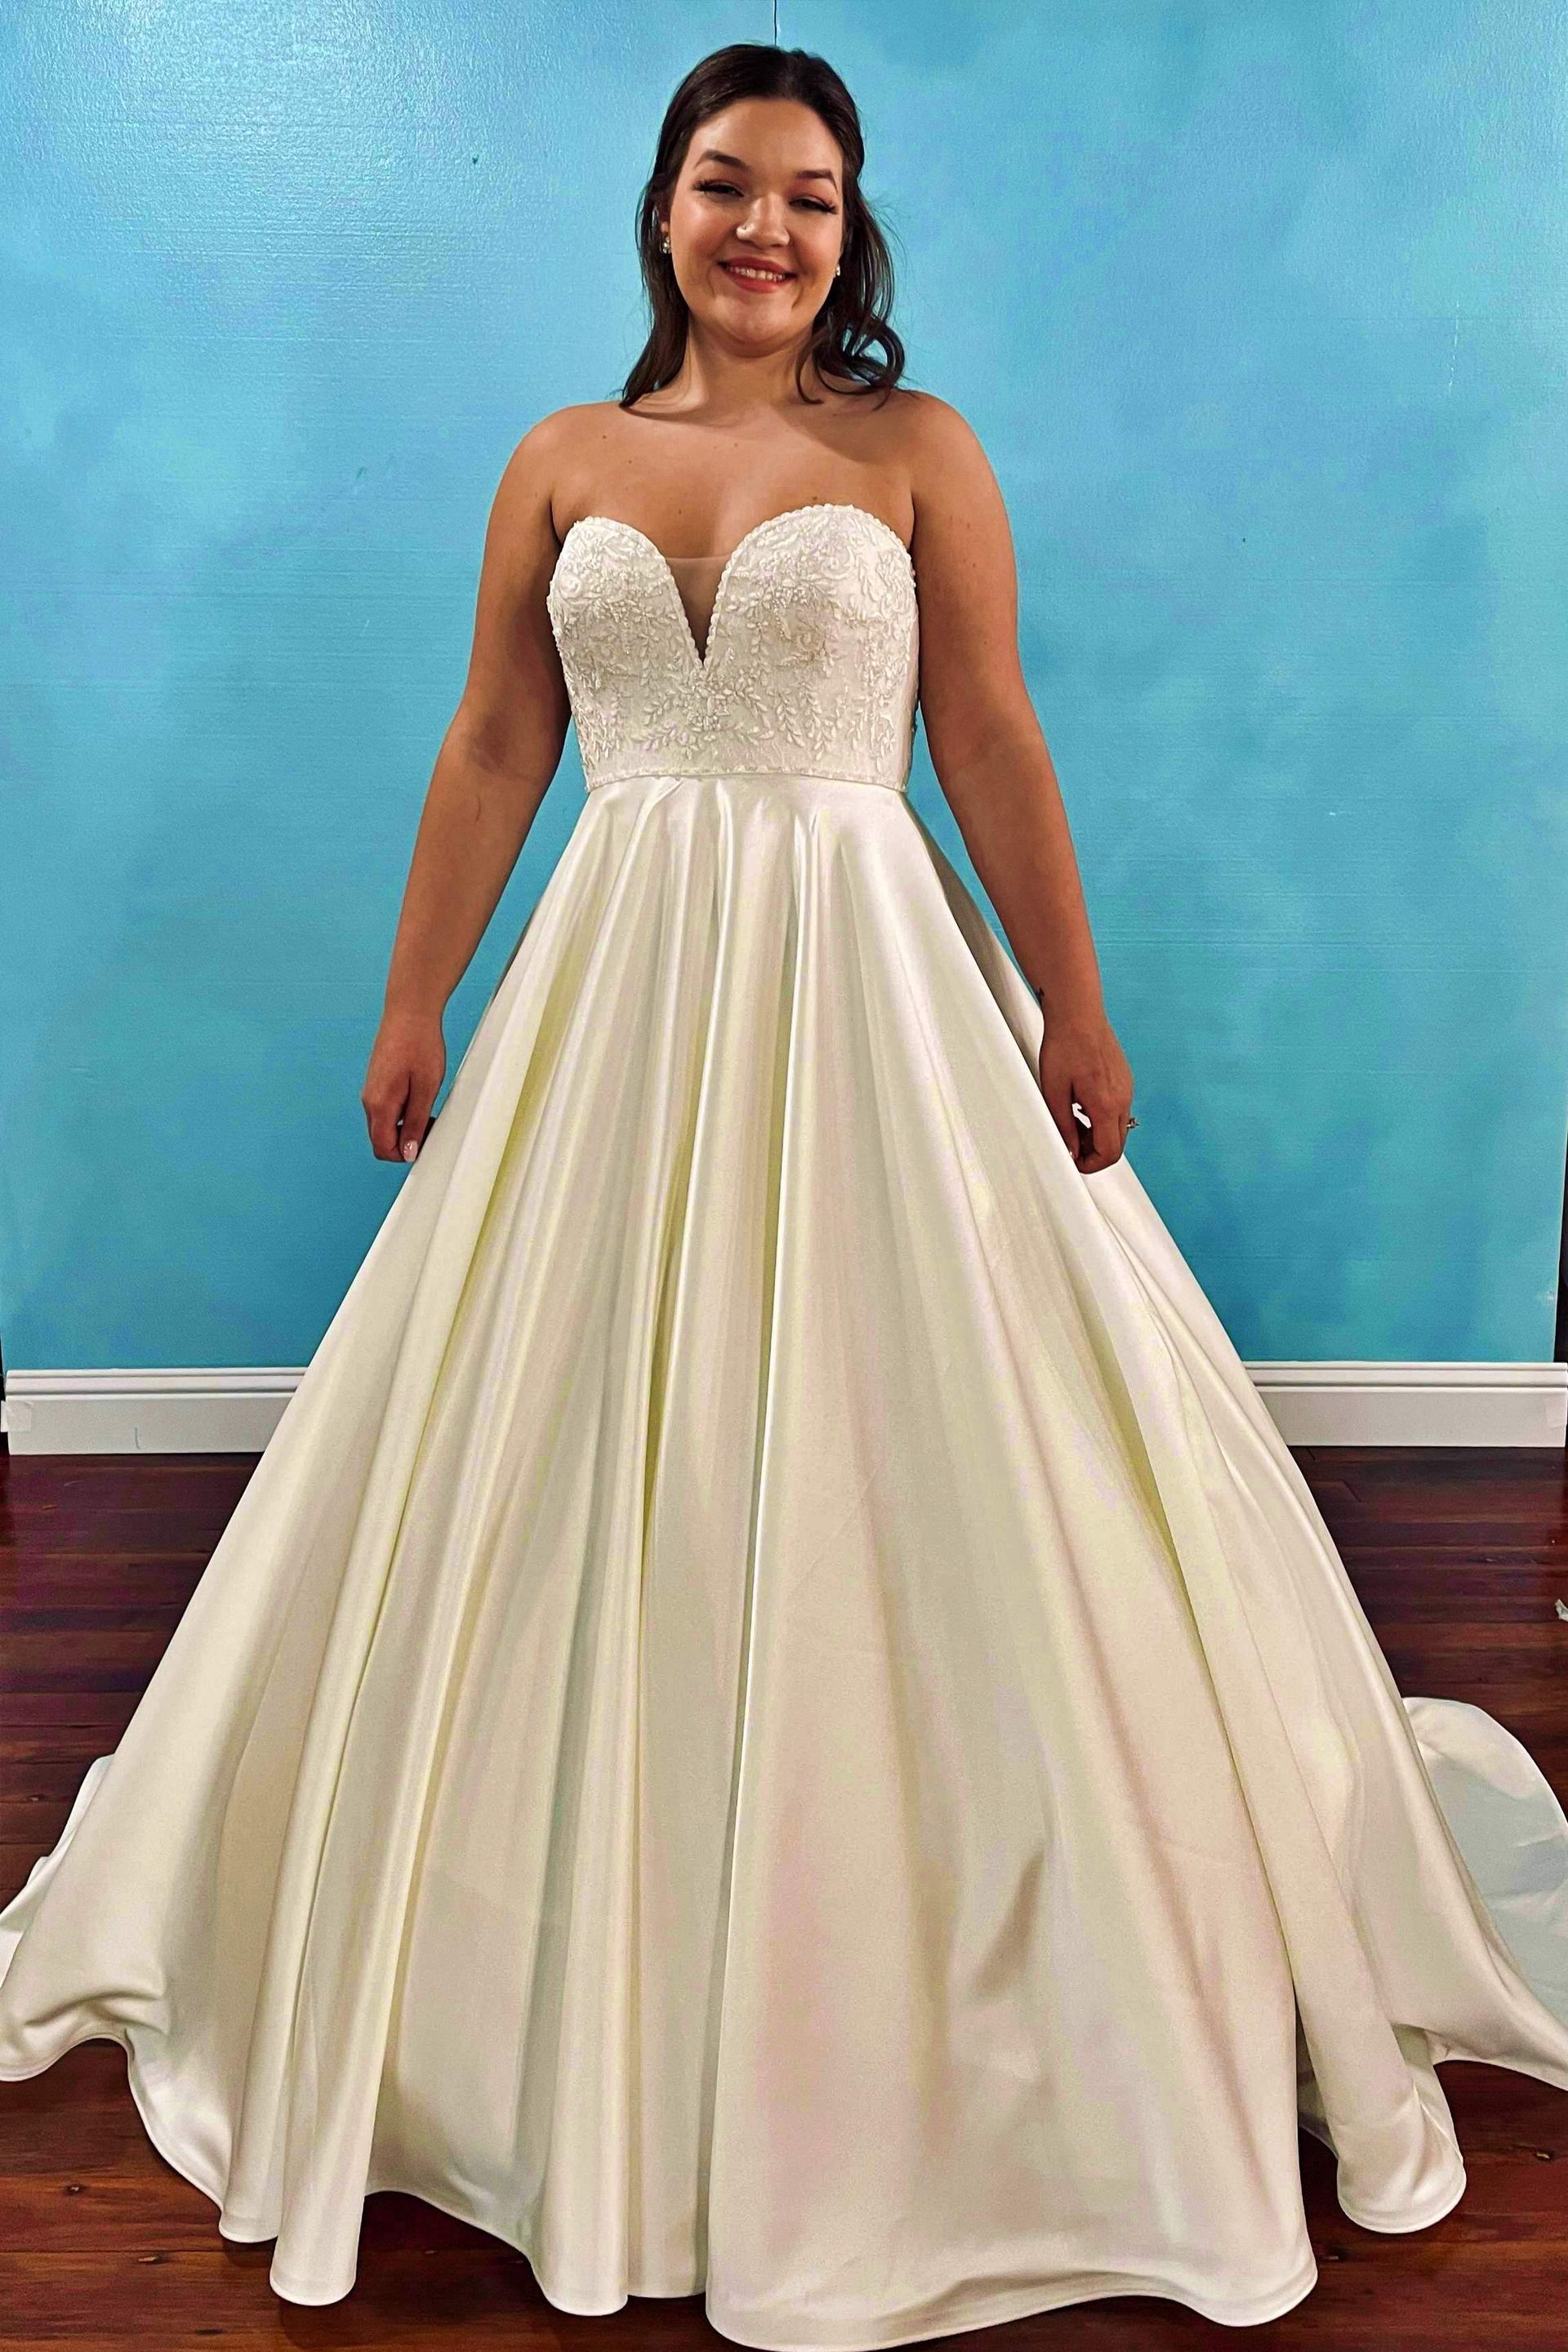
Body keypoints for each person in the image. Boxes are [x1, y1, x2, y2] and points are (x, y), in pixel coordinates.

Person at [4, 39, 1568, 2350]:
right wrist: (415, 998)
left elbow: (992, 735)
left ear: (855, 232)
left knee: (928, 1433)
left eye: (813, 197)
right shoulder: (561, 461)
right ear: (662, 207)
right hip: (616, 982)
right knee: (563, 1444)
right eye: (731, 184)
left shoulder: (918, 457)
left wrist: (1073, 1003)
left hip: (867, 978)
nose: (769, 227)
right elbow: (498, 744)